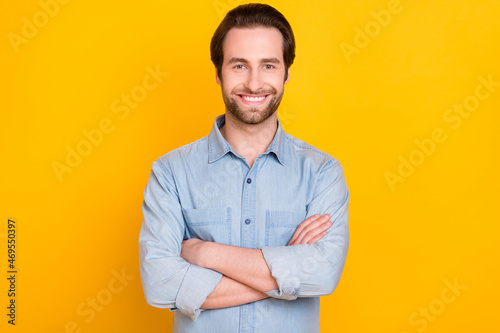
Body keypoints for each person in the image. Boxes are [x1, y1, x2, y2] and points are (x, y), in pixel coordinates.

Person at [138, 3, 349, 332]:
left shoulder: (322, 172)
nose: (254, 83)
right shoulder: (170, 173)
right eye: (239, 66)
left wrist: (207, 253)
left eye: (268, 65)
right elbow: (160, 285)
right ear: (219, 73)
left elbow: (323, 274)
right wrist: (285, 269)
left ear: (286, 73)